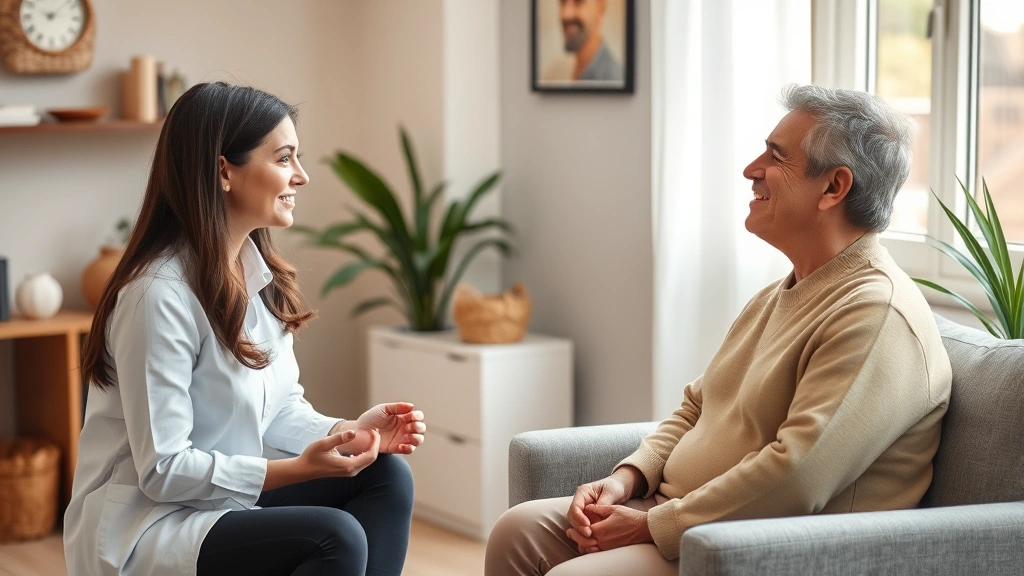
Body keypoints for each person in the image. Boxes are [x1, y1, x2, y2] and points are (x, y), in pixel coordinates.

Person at [485, 84, 953, 575]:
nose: (751, 170)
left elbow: (795, 477)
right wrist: (628, 478)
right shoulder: (785, 291)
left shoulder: (874, 315)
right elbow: (697, 407)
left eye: (775, 156)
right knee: (517, 533)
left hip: (766, 548)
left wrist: (652, 525)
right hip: (687, 519)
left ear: (834, 188)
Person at [64, 82, 427, 576]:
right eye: (283, 158)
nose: (301, 176)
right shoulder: (157, 295)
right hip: (147, 525)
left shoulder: (257, 276)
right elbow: (163, 471)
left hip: (218, 506)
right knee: (332, 537)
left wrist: (346, 433)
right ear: (224, 171)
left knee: (385, 475)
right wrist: (297, 470)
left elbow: (279, 410)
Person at [547, 0, 623, 82]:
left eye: (578, 2)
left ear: (601, 7)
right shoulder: (556, 74)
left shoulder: (614, 80)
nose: (566, 14)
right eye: (563, 2)